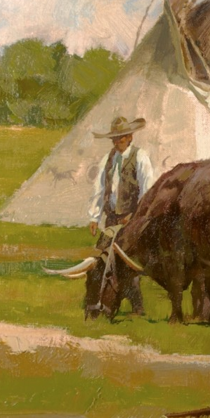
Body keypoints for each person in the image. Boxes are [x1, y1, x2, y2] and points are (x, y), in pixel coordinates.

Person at [88, 116, 155, 315]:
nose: (116, 143)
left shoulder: (140, 157)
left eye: (120, 139)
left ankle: (137, 308)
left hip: (132, 221)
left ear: (130, 137)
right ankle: (100, 303)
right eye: (114, 139)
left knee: (127, 263)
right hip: (111, 220)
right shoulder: (108, 159)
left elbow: (148, 192)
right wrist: (94, 216)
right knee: (102, 259)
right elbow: (99, 189)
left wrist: (134, 216)